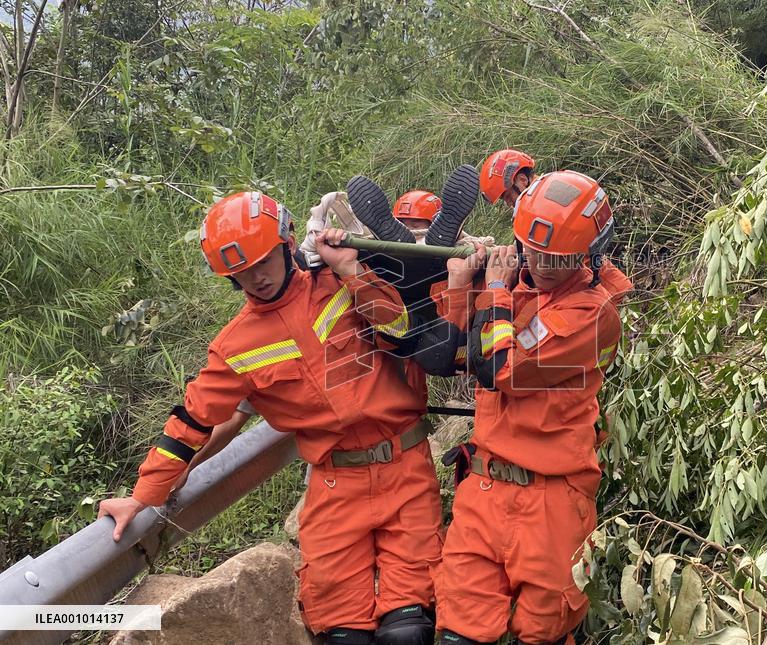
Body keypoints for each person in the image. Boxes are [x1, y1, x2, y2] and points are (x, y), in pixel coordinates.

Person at [98, 191, 440, 645]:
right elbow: (190, 425)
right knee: (342, 633)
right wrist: (142, 497)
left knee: (408, 630)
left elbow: (400, 331)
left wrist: (350, 270)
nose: (255, 277)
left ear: (287, 244)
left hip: (406, 468)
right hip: (337, 485)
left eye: (262, 262)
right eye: (241, 272)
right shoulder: (235, 347)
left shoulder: (341, 283)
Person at [429, 171, 623, 644]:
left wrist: (494, 289)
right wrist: (463, 284)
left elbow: (502, 369)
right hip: (486, 486)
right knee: (458, 629)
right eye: (531, 249)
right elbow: (455, 358)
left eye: (555, 258)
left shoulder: (593, 314)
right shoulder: (520, 286)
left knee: (543, 633)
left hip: (551, 499)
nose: (540, 263)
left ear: (590, 255)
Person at [479, 149, 633, 306]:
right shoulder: (547, 196)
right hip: (601, 286)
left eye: (507, 196)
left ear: (522, 180)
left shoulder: (545, 207)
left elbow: (536, 257)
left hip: (604, 292)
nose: (508, 203)